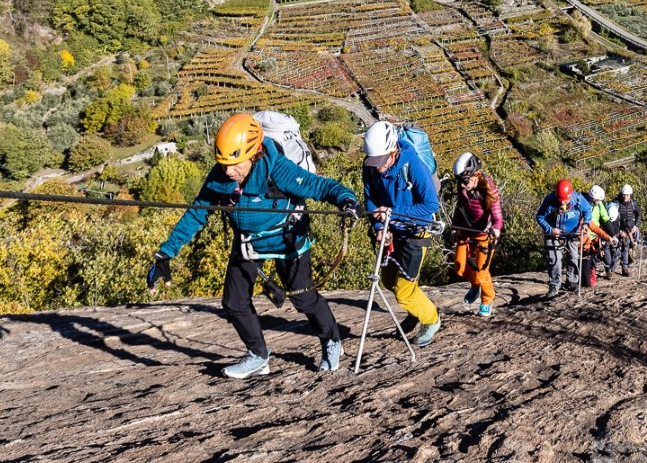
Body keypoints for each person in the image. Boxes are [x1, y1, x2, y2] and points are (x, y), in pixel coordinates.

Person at [147, 113, 360, 379]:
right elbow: (197, 212)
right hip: (248, 241)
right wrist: (166, 252)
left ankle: (331, 340)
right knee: (233, 302)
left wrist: (346, 200)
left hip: (286, 238)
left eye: (234, 164)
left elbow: (319, 186)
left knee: (303, 299)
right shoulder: (220, 177)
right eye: (223, 164)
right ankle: (258, 356)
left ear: (255, 152)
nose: (228, 171)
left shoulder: (277, 168)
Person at [362, 120, 443, 347]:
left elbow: (430, 205)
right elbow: (370, 198)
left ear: (393, 150)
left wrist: (393, 214)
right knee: (388, 281)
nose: (377, 166)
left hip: (416, 233)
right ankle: (416, 311)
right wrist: (380, 227)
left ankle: (431, 319)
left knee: (404, 291)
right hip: (391, 232)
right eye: (374, 161)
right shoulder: (370, 164)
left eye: (381, 161)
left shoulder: (412, 164)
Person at [450, 151, 503, 318]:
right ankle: (475, 285)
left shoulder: (488, 189)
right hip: (465, 231)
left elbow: (497, 216)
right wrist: (454, 227)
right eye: (460, 181)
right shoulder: (463, 186)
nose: (462, 185)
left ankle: (487, 299)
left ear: (476, 175)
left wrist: (496, 228)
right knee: (459, 268)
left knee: (481, 272)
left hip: (484, 235)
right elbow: (460, 208)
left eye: (465, 181)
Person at [535, 179, 595, 297]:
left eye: (566, 201)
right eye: (560, 201)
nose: (563, 204)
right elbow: (540, 217)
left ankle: (572, 281)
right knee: (555, 261)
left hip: (572, 233)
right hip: (553, 233)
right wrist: (550, 229)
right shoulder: (549, 200)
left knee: (573, 257)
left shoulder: (578, 199)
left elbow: (588, 210)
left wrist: (585, 224)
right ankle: (554, 285)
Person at [589, 184, 620, 280]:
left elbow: (605, 220)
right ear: (593, 198)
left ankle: (591, 276)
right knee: (588, 257)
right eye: (598, 200)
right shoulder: (585, 204)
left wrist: (613, 235)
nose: (599, 202)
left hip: (595, 234)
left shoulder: (599, 205)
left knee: (593, 257)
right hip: (585, 235)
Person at [615, 184, 641, 277]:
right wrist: (619, 231)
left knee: (630, 249)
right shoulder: (617, 204)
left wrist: (636, 226)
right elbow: (613, 219)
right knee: (621, 248)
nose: (625, 197)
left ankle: (626, 266)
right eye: (624, 194)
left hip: (631, 230)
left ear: (630, 195)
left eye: (627, 195)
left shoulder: (633, 204)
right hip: (621, 230)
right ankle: (622, 268)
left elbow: (639, 214)